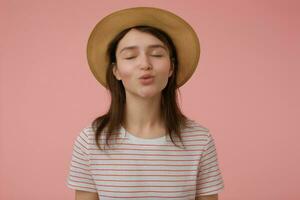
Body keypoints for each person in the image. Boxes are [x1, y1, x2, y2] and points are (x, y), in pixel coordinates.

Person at [66, 7, 224, 200]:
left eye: (157, 54)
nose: (145, 64)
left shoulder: (200, 140)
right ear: (116, 70)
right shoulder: (90, 141)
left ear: (171, 67)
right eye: (131, 56)